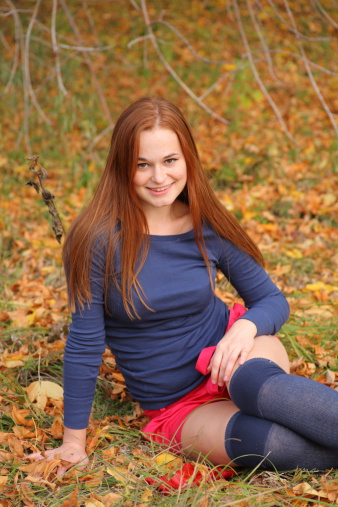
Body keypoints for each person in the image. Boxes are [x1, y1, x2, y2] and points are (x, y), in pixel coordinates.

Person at [29, 97, 338, 473]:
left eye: (170, 161)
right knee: (277, 445)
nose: (159, 178)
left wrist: (244, 328)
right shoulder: (96, 239)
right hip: (177, 405)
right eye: (143, 165)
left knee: (256, 386)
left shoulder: (205, 224)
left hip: (236, 356)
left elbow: (271, 299)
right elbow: (84, 343)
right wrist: (73, 444)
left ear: (187, 159)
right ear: (121, 166)